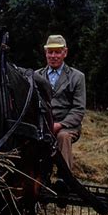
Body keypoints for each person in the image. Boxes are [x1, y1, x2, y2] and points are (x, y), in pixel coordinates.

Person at [35, 34, 86, 171]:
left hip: (67, 126)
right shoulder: (36, 76)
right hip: (42, 125)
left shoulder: (77, 77)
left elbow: (78, 109)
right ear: (45, 53)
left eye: (57, 52)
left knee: (63, 137)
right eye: (50, 52)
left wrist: (59, 125)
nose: (53, 56)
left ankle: (64, 177)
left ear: (65, 53)